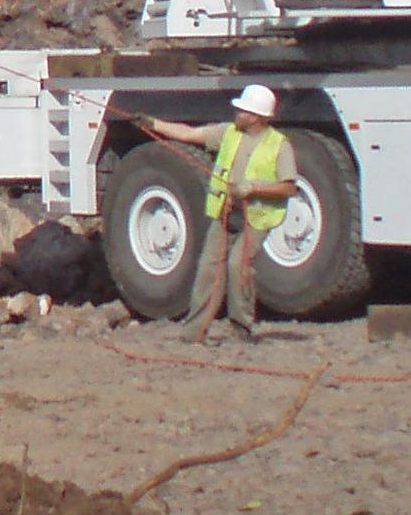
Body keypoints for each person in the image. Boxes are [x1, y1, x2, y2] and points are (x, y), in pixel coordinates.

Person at [126, 86, 297, 342]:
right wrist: (154, 123)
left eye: (243, 110)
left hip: (258, 217)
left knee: (237, 265)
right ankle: (194, 332)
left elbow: (289, 187)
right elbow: (190, 134)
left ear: (257, 116)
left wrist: (254, 188)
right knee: (209, 269)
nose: (237, 112)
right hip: (227, 212)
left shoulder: (278, 145)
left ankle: (241, 328)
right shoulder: (228, 133)